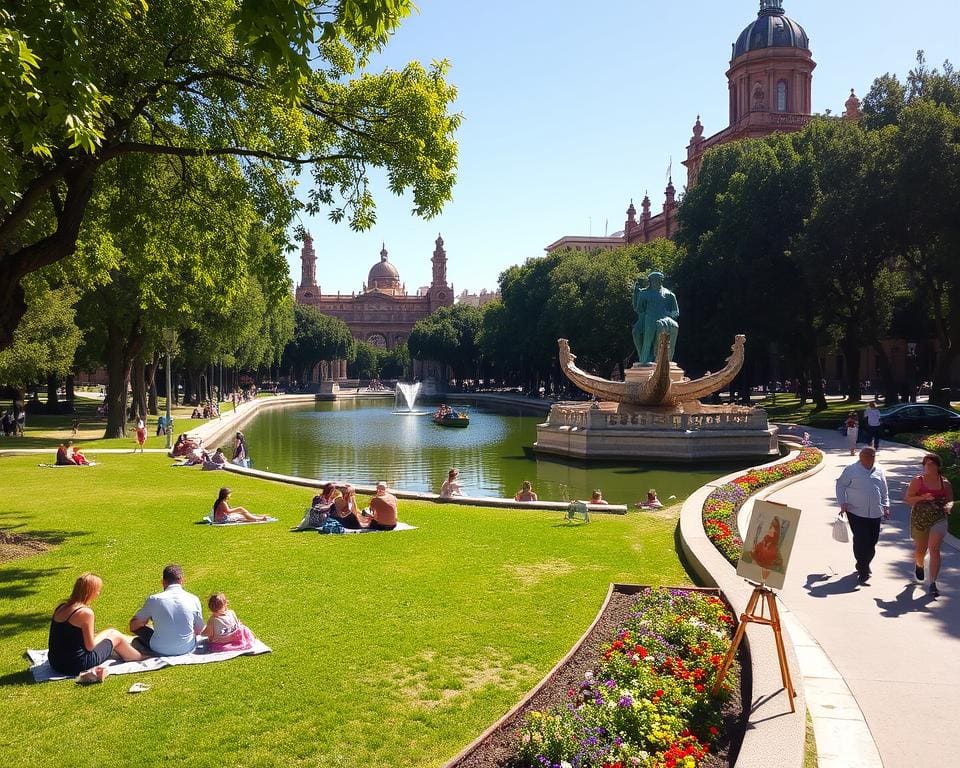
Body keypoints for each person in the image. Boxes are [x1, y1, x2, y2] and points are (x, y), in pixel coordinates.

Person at [48, 573, 144, 675]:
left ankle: (133, 651)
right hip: (76, 665)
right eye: (97, 590)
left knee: (110, 631)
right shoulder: (85, 613)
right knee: (116, 637)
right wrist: (101, 639)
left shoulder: (62, 607)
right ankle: (139, 657)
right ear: (89, 591)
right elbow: (90, 647)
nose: (98, 593)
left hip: (55, 663)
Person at [835, 447, 890, 584]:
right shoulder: (851, 470)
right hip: (856, 511)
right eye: (866, 456)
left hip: (876, 512)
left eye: (872, 456)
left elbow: (884, 489)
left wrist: (886, 505)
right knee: (861, 540)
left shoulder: (879, 470)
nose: (869, 458)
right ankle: (863, 568)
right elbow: (840, 485)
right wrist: (843, 503)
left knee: (872, 542)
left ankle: (863, 563)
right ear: (860, 457)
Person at [904, 453, 954, 597]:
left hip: (939, 518)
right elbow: (908, 499)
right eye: (926, 464)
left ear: (938, 466)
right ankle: (919, 565)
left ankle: (932, 583)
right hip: (920, 518)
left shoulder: (945, 483)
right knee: (920, 550)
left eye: (931, 464)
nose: (928, 466)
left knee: (934, 549)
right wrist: (922, 497)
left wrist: (949, 507)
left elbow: (950, 500)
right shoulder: (917, 481)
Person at [129, 564, 205, 656]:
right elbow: (199, 629)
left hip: (159, 648)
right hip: (186, 647)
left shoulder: (154, 600)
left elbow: (133, 625)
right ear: (182, 580)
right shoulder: (193, 599)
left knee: (137, 640)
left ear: (163, 582)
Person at [632, 271, 680, 365]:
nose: (655, 282)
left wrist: (668, 317)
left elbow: (676, 312)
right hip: (648, 319)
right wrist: (636, 295)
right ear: (650, 281)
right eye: (653, 280)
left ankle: (658, 360)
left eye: (658, 280)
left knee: (660, 332)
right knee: (645, 339)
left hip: (664, 319)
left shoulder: (669, 294)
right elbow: (639, 309)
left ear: (661, 281)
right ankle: (645, 360)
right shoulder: (644, 293)